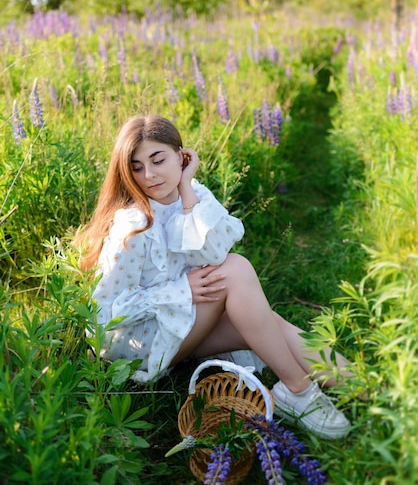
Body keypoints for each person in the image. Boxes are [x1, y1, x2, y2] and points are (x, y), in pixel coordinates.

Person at [75, 114, 353, 440]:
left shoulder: (193, 194)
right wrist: (180, 291)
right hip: (140, 344)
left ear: (181, 156)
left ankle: (367, 389)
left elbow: (213, 254)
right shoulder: (134, 224)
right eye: (136, 166)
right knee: (236, 270)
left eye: (158, 159)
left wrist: (187, 190)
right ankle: (298, 390)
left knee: (270, 323)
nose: (149, 174)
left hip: (182, 321)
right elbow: (106, 313)